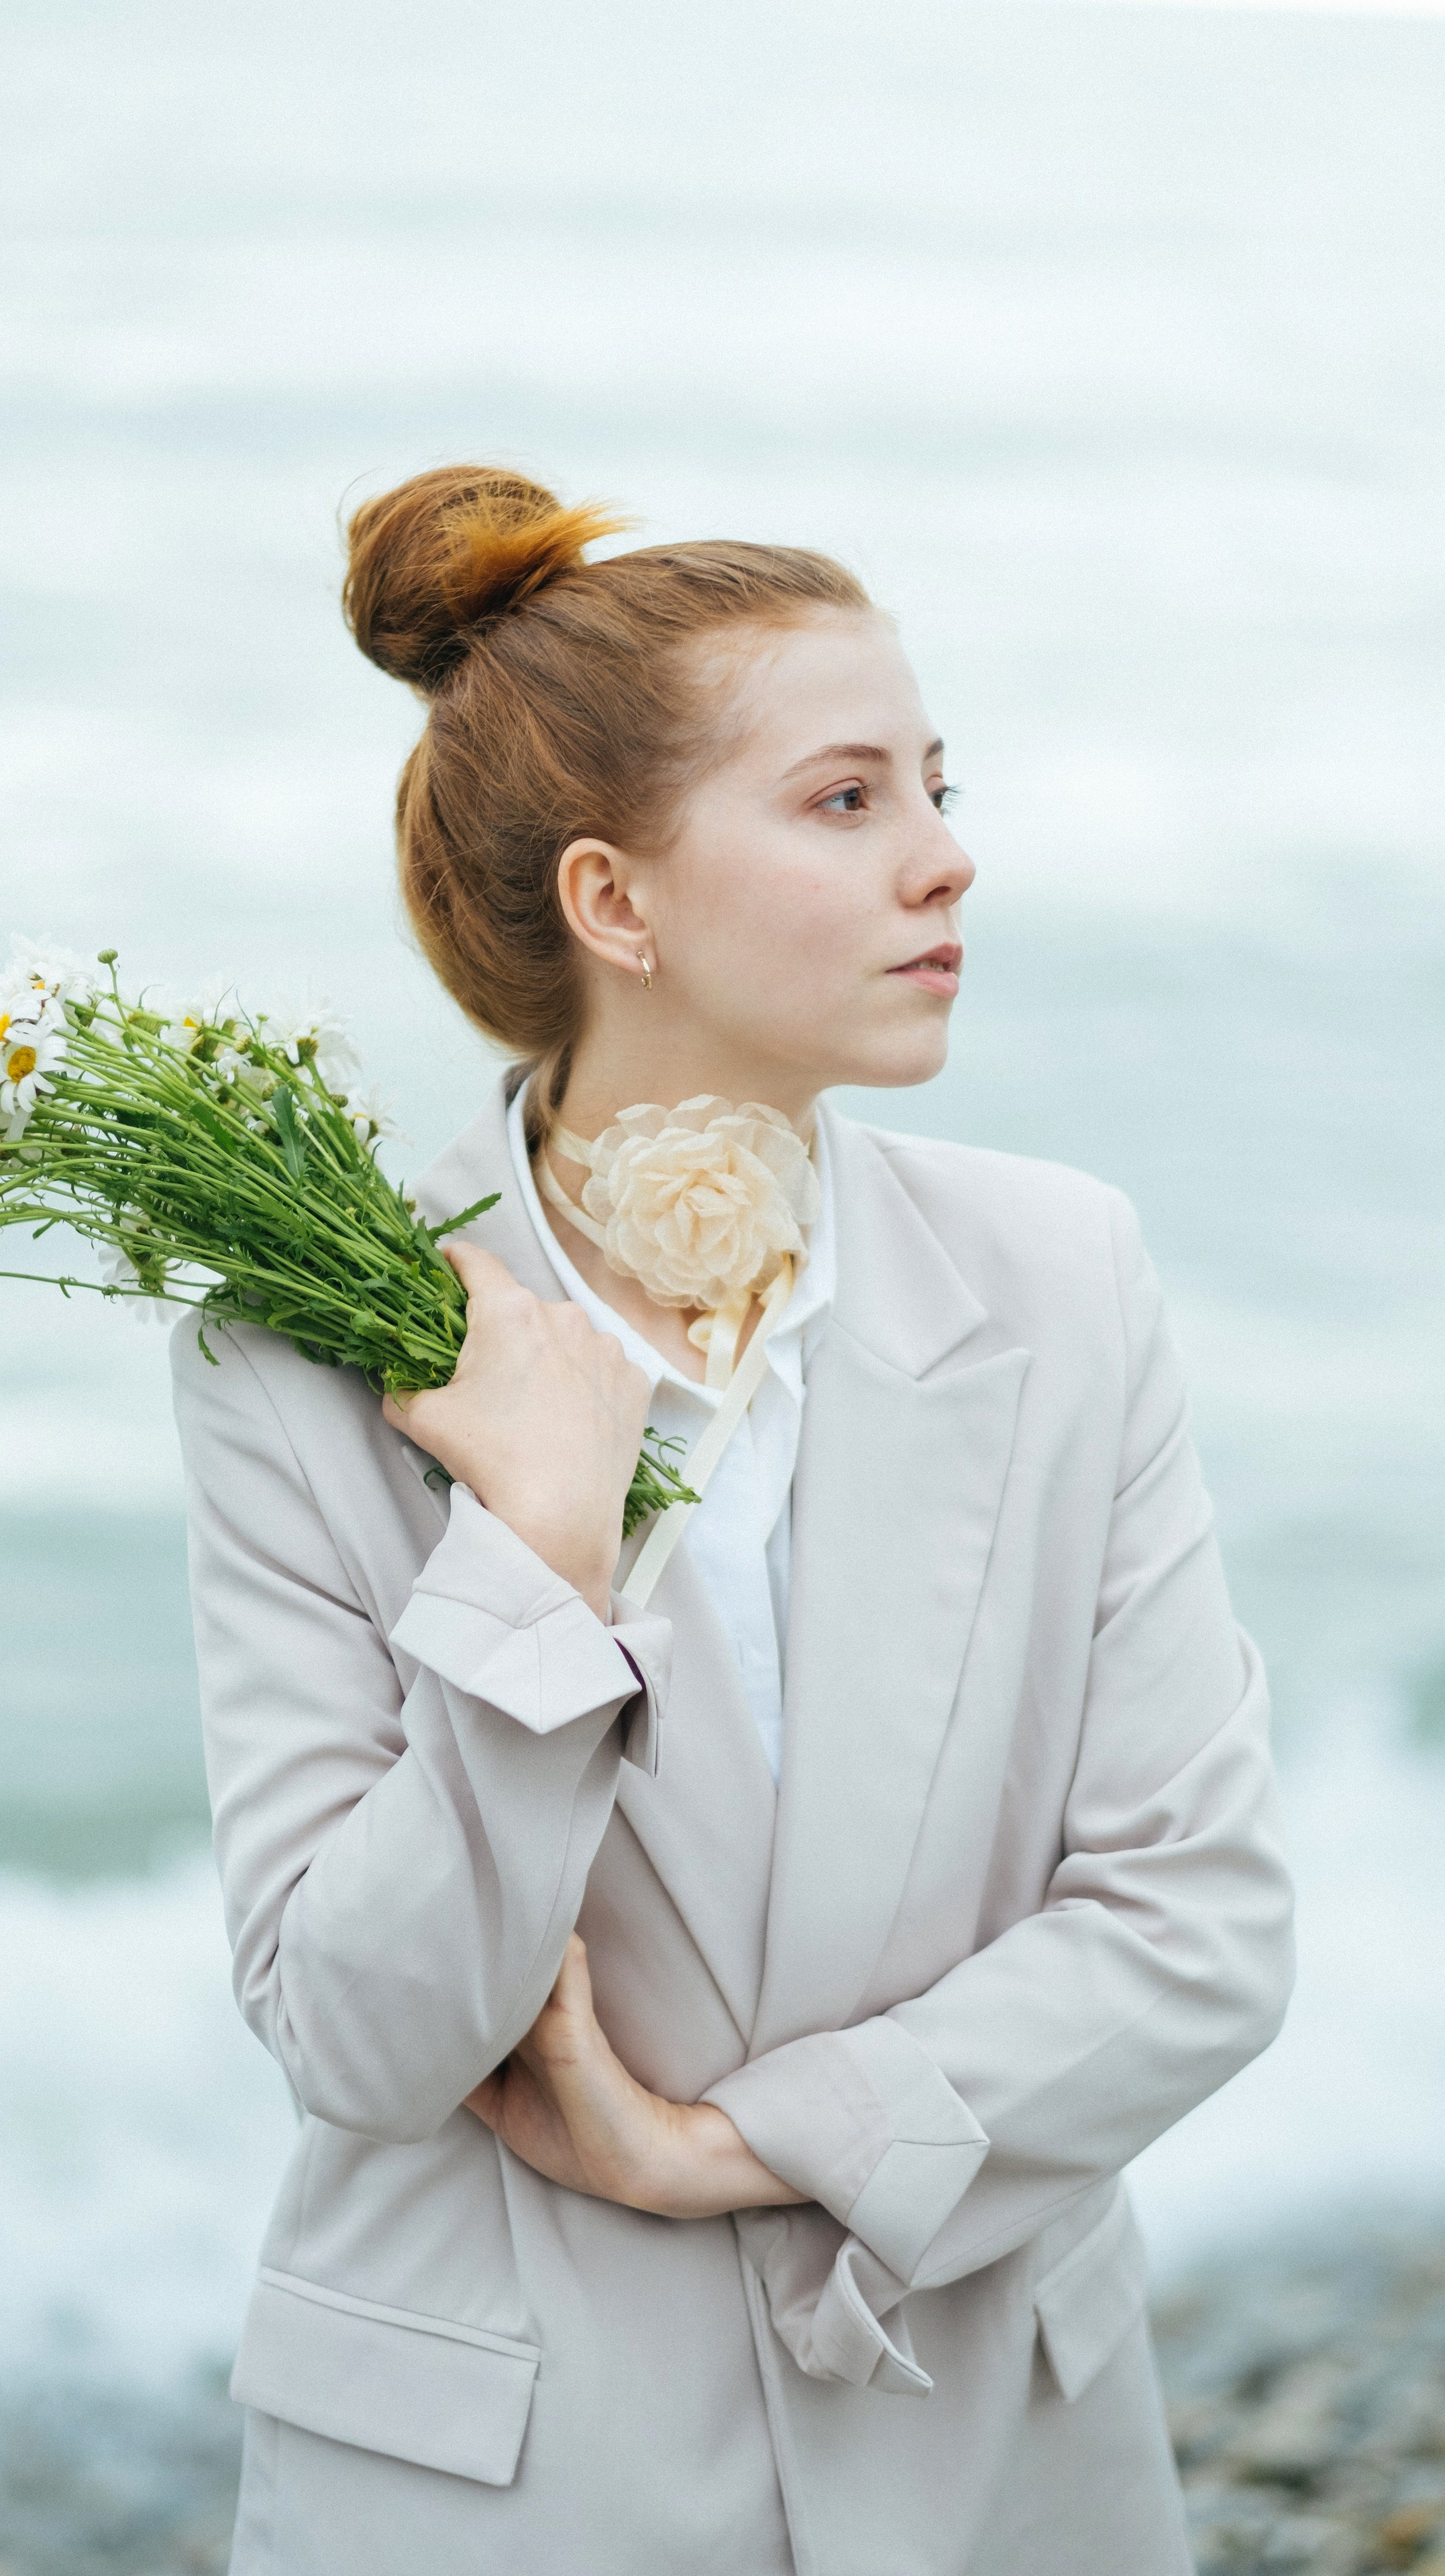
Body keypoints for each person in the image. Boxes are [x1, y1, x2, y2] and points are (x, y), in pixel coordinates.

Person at [170, 466, 1294, 2576]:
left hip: (994, 2450)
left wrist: (721, 2149)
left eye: (937, 786)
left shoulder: (1062, 1278)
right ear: (618, 901)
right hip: (506, 2483)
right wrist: (537, 1550)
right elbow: (358, 2035)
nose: (947, 855)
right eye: (847, 800)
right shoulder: (303, 1345)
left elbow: (1200, 1928)